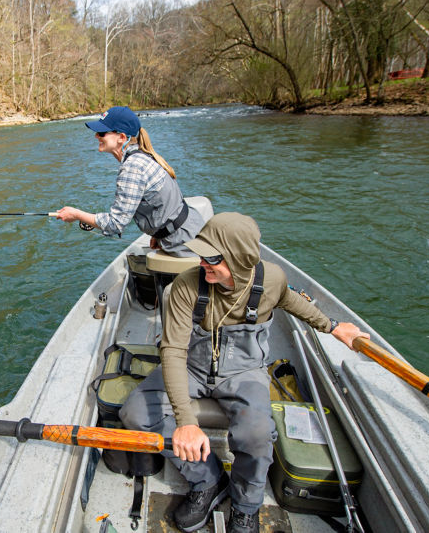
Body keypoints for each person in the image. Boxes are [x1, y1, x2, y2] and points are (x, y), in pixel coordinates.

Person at [119, 212, 369, 533]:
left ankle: (246, 505)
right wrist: (186, 422)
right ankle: (208, 480)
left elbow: (292, 301)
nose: (202, 262)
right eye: (201, 254)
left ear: (239, 260)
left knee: (257, 434)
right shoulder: (185, 286)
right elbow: (173, 351)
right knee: (136, 413)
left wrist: (332, 326)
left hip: (245, 371)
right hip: (192, 367)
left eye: (212, 258)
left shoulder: (272, 280)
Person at [55, 106, 204, 257]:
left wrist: (76, 214)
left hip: (183, 241)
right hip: (186, 230)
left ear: (122, 137)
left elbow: (115, 224)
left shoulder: (132, 167)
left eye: (101, 133)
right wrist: (159, 235)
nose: (96, 136)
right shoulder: (142, 156)